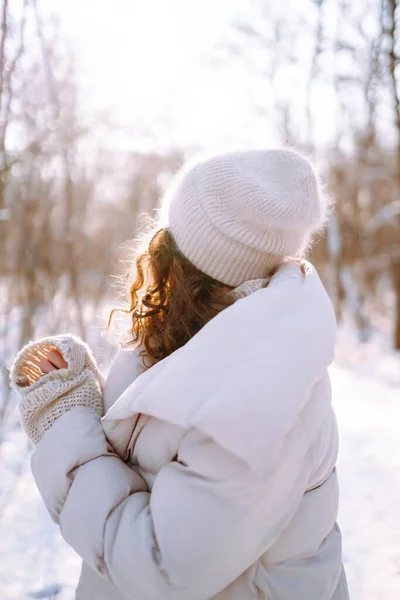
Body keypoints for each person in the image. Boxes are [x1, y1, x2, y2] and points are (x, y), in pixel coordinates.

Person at [10, 149, 349, 600]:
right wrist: (92, 404)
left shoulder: (256, 400)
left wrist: (65, 424)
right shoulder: (203, 334)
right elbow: (148, 456)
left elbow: (157, 569)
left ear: (183, 263)